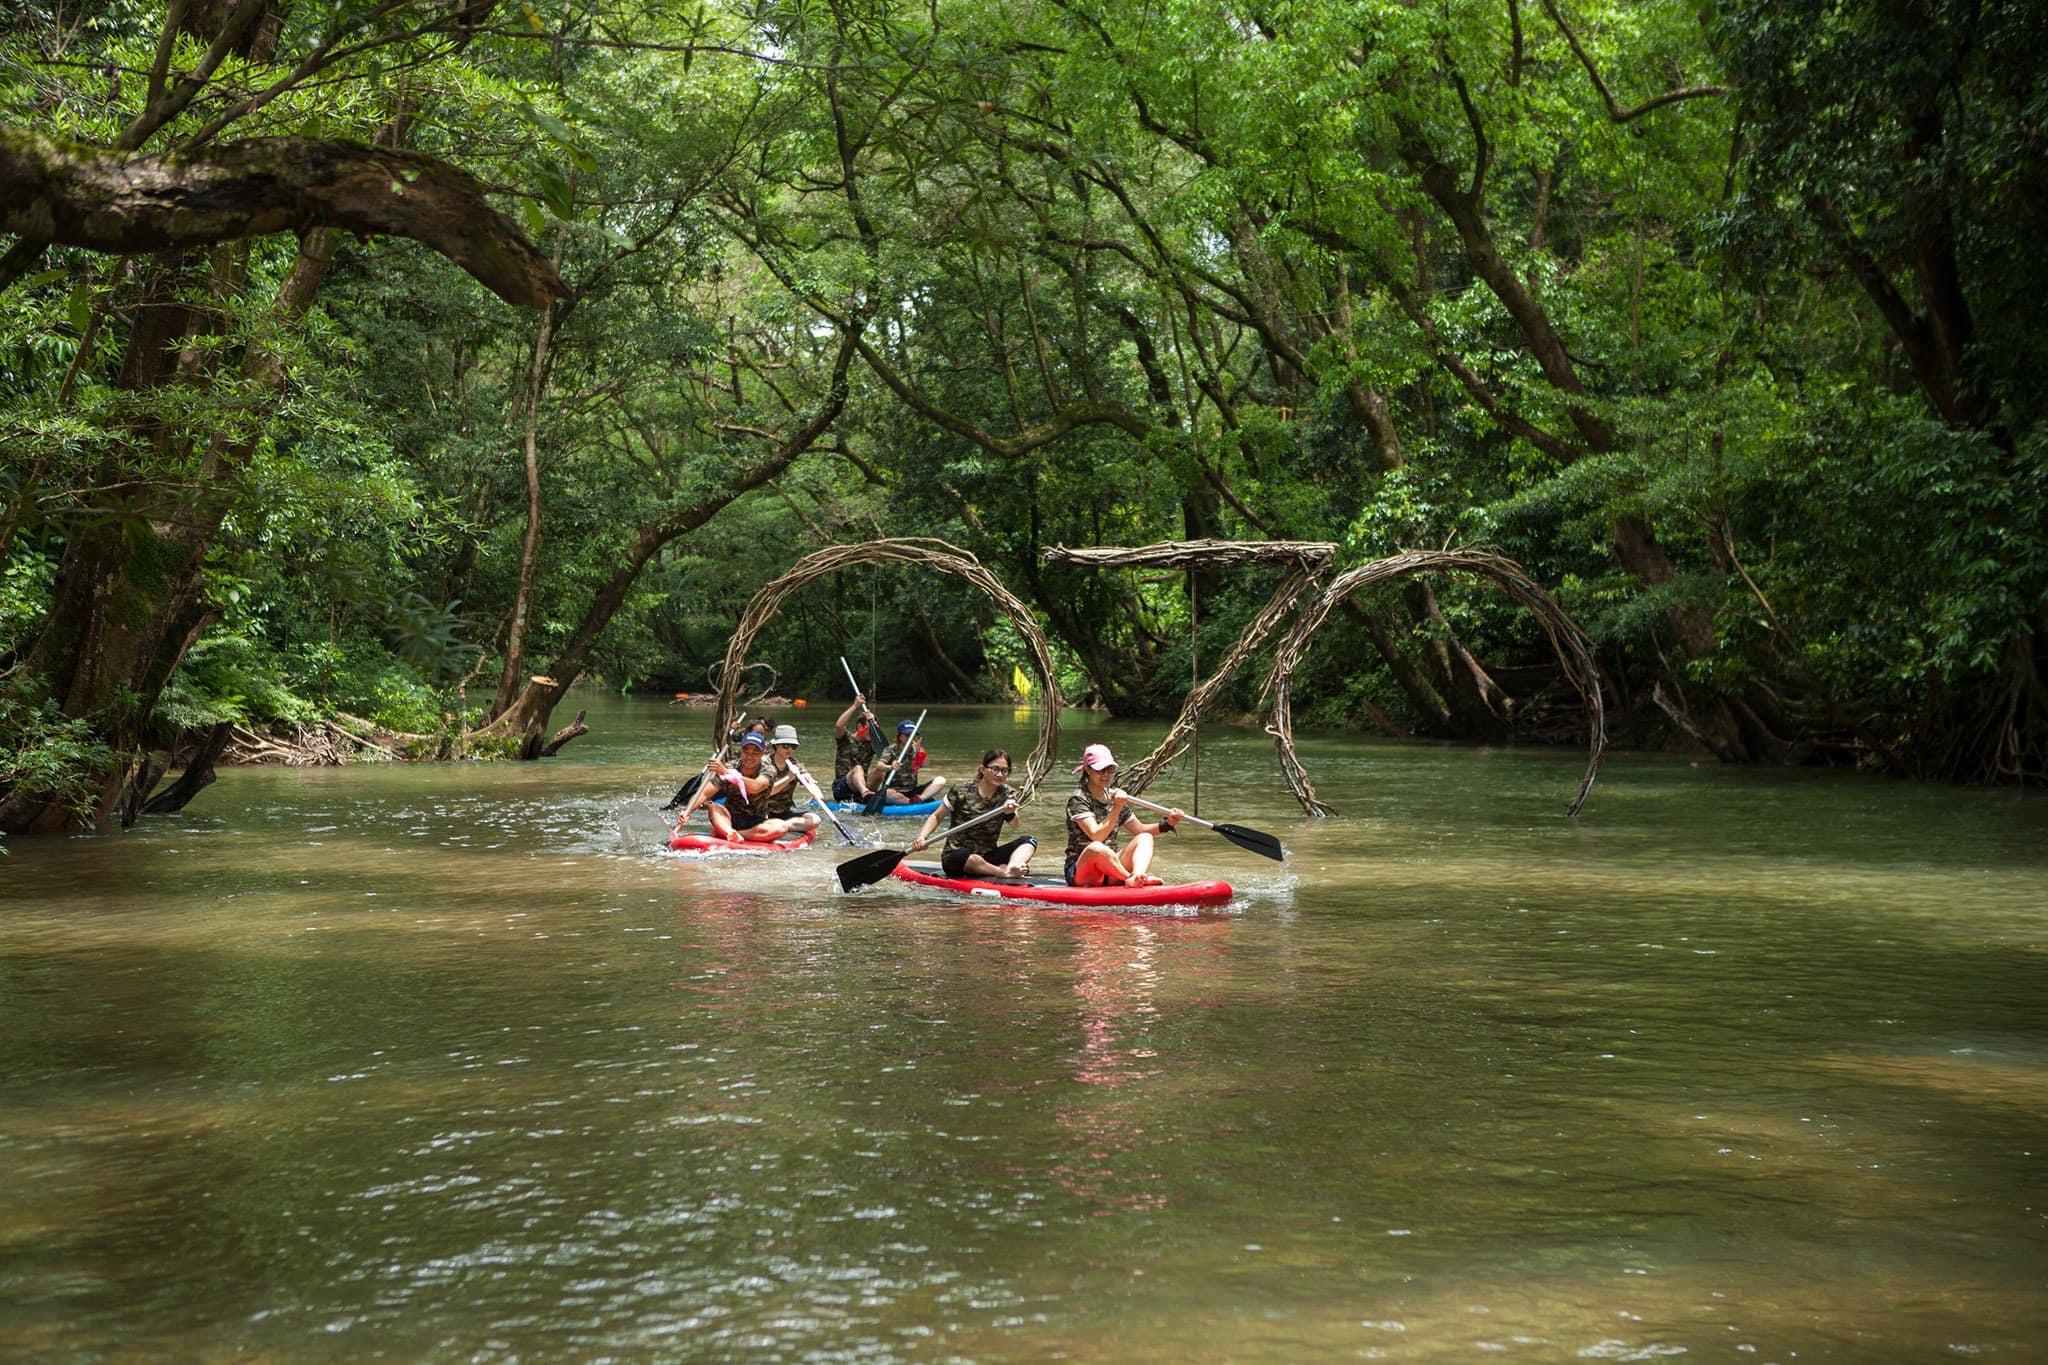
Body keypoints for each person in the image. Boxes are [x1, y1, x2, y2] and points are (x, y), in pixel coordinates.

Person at [1063, 743, 1182, 888]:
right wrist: (1117, 808)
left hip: (1111, 868)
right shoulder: (1078, 799)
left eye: (1110, 769)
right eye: (1101, 770)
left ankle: (1138, 875)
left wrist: (1168, 824)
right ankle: (1132, 878)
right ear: (1088, 769)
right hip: (1083, 871)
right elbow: (1096, 835)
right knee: (1096, 847)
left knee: (1145, 838)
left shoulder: (1113, 797)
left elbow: (1140, 830)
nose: (1106, 774)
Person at [910, 748, 1035, 878]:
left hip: (987, 857)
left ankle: (1014, 867)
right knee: (965, 856)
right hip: (958, 857)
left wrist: (1009, 812)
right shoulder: (961, 790)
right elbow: (937, 816)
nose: (1000, 774)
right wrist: (922, 837)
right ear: (982, 769)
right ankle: (1003, 872)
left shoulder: (1008, 793)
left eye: (1005, 770)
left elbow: (1015, 824)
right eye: (995, 769)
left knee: (1029, 840)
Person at [705, 732, 807, 843]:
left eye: (793, 747)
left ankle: (732, 834)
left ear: (762, 753)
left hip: (756, 820)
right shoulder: (731, 766)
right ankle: (728, 831)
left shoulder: (769, 769)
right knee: (713, 806)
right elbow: (705, 793)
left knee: (782, 827)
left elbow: (756, 787)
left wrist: (794, 779)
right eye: (746, 751)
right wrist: (686, 813)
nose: (750, 756)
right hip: (731, 817)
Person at [755, 724, 822, 838]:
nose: (790, 749)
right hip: (763, 812)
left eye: (793, 746)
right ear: (777, 745)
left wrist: (816, 791)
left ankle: (782, 826)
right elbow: (767, 791)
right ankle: (774, 827)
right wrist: (789, 778)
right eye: (786, 746)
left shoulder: (795, 765)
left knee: (815, 820)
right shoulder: (764, 763)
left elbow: (808, 779)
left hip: (784, 813)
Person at [869, 718, 945, 805]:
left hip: (912, 791)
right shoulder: (891, 749)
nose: (910, 737)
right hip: (895, 791)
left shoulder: (917, 750)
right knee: (888, 793)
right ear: (900, 736)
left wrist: (920, 752)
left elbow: (926, 765)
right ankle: (909, 803)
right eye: (907, 735)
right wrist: (891, 767)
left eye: (913, 735)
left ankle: (920, 799)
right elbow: (879, 766)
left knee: (941, 780)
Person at [832, 694, 879, 802]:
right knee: (858, 768)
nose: (873, 731)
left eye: (875, 728)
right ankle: (865, 793)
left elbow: (885, 752)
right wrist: (855, 705)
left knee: (879, 771)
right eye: (870, 727)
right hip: (843, 787)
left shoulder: (872, 743)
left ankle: (871, 798)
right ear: (860, 727)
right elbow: (839, 726)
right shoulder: (846, 739)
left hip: (862, 786)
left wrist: (872, 723)